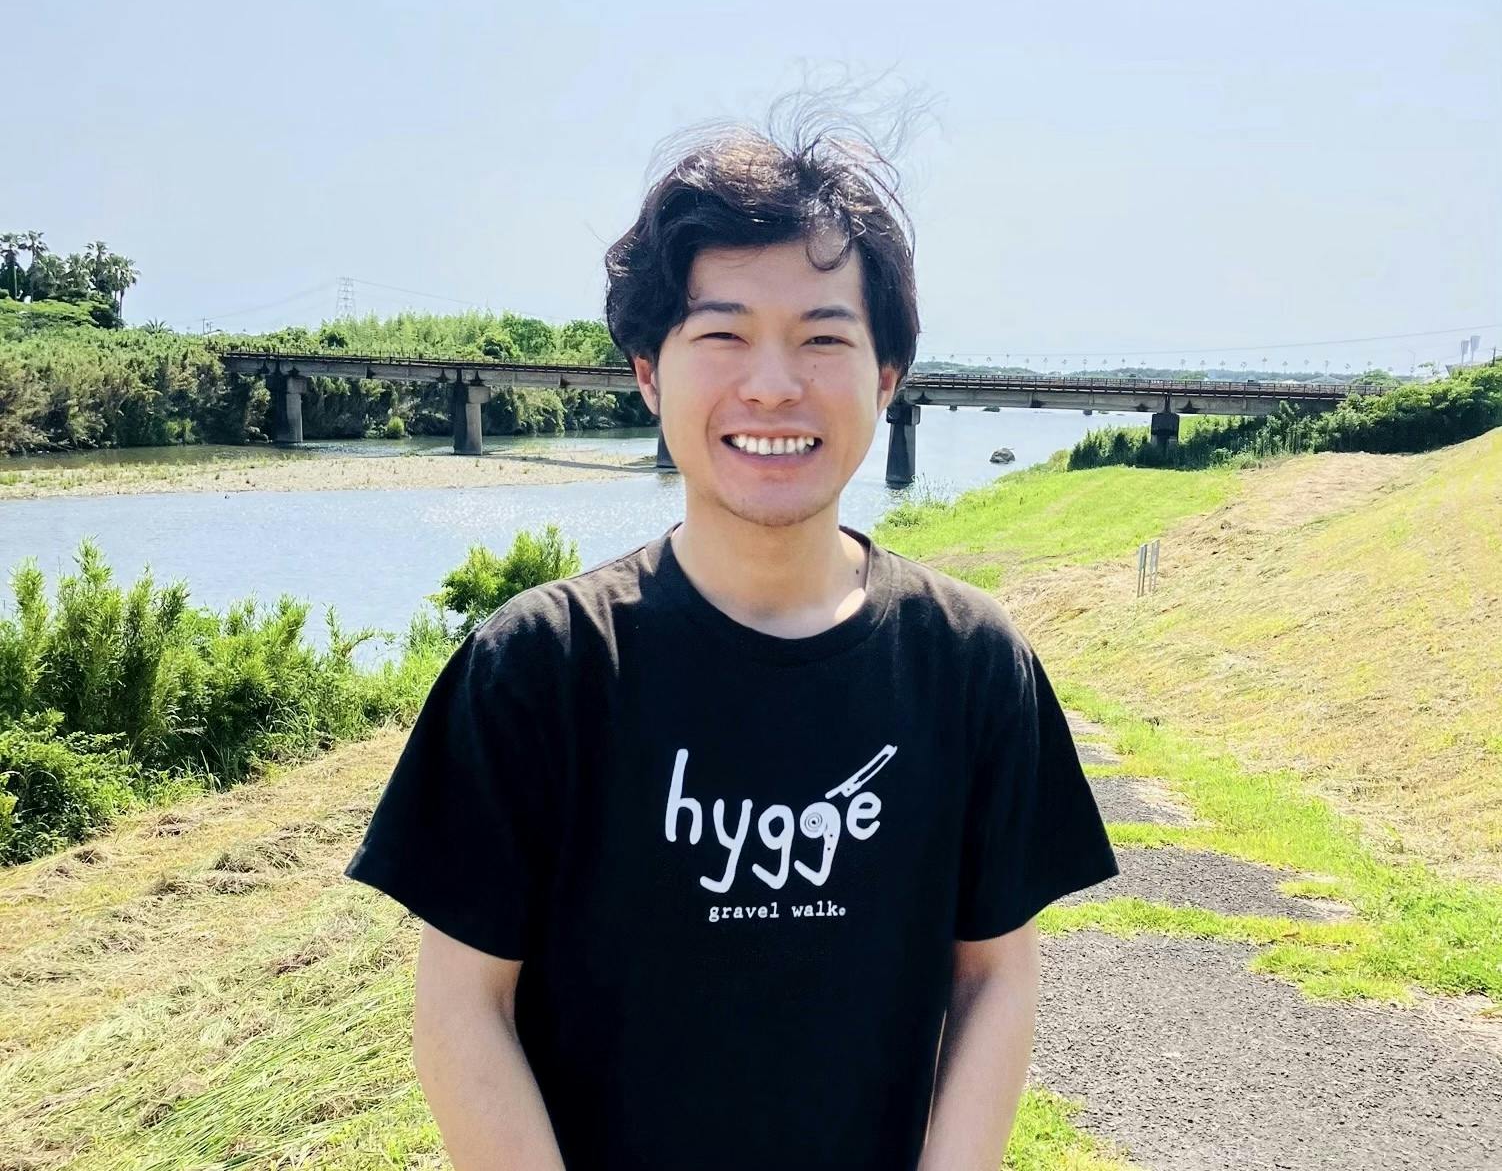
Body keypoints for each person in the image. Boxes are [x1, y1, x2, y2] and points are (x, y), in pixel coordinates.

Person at [343, 105, 1119, 1171]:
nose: (772, 384)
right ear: (648, 371)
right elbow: (462, 1004)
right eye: (721, 334)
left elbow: (993, 974)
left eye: (823, 337)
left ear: (885, 377)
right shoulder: (539, 668)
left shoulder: (968, 662)